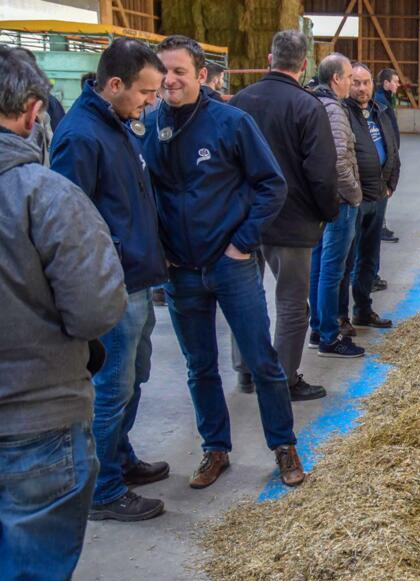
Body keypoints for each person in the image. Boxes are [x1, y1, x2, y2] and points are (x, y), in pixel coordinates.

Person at [142, 35, 305, 489]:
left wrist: (243, 242)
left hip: (230, 265)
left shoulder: (231, 122)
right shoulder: (150, 127)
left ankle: (284, 445)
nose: (170, 79)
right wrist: (161, 254)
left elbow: (272, 184)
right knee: (200, 367)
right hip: (181, 272)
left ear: (201, 76)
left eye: (179, 71)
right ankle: (215, 449)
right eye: (164, 71)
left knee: (261, 359)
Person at [0, 46, 127, 581]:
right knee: (30, 576)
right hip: (35, 417)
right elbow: (96, 308)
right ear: (33, 111)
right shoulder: (45, 194)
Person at [50, 38, 170, 522]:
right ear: (115, 84)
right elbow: (68, 224)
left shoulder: (118, 124)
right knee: (112, 386)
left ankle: (119, 457)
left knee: (134, 377)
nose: (152, 102)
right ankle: (102, 491)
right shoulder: (81, 137)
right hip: (112, 287)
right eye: (146, 92)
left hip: (137, 278)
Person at [228, 30, 339, 398]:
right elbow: (321, 171)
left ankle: (245, 372)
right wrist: (327, 212)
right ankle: (284, 379)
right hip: (292, 222)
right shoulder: (308, 106)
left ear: (269, 57)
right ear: (304, 64)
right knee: (292, 302)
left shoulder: (240, 101)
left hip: (245, 221)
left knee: (248, 297)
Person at [308, 53, 365, 358]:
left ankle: (318, 328)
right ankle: (329, 335)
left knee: (320, 264)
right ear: (336, 80)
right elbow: (340, 159)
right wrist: (354, 193)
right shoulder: (334, 110)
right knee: (333, 268)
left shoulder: (314, 102)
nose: (351, 83)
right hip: (340, 201)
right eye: (348, 77)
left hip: (321, 199)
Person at [341, 63, 399, 334]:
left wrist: (390, 184)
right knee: (345, 259)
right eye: (356, 82)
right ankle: (340, 317)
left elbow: (393, 148)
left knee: (369, 256)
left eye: (366, 82)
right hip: (355, 199)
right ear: (346, 83)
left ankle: (362, 309)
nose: (362, 88)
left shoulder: (380, 112)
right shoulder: (343, 113)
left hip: (379, 195)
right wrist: (353, 191)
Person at [373, 68, 402, 244]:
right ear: (386, 83)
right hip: (383, 158)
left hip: (389, 154)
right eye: (395, 81)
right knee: (381, 190)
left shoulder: (386, 100)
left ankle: (380, 224)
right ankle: (378, 226)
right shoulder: (380, 102)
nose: (398, 85)